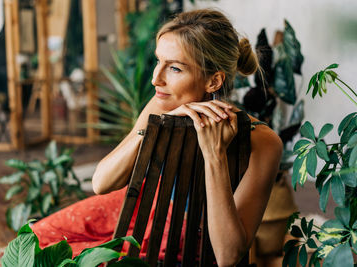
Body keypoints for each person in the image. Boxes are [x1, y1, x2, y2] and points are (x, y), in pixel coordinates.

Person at [32, 9, 282, 267]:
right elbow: (101, 183)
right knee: (36, 241)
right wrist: (153, 129)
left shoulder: (263, 142)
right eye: (158, 61)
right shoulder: (162, 103)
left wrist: (214, 155)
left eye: (174, 68)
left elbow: (228, 256)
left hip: (188, 234)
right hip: (140, 208)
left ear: (214, 81)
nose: (155, 79)